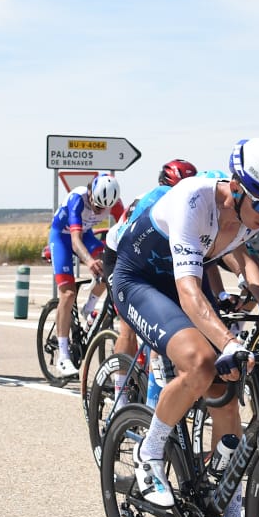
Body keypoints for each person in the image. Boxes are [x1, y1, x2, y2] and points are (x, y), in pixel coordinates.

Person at [110, 138, 259, 517]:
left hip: (187, 281)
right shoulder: (194, 199)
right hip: (141, 281)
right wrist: (228, 340)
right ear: (236, 187)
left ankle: (230, 507)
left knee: (227, 397)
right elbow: (188, 291)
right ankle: (149, 458)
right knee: (201, 362)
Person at [100, 159, 199, 412]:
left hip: (154, 260)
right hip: (121, 256)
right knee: (128, 326)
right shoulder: (151, 200)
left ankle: (156, 403)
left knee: (167, 326)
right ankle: (119, 399)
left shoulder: (193, 207)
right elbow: (127, 248)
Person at [47, 172, 125, 377]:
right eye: (97, 206)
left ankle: (88, 310)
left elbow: (127, 230)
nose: (100, 210)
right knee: (68, 294)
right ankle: (63, 356)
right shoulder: (77, 200)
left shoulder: (115, 203)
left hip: (87, 235)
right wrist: (89, 261)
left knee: (109, 267)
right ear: (91, 193)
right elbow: (75, 240)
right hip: (62, 237)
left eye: (104, 208)